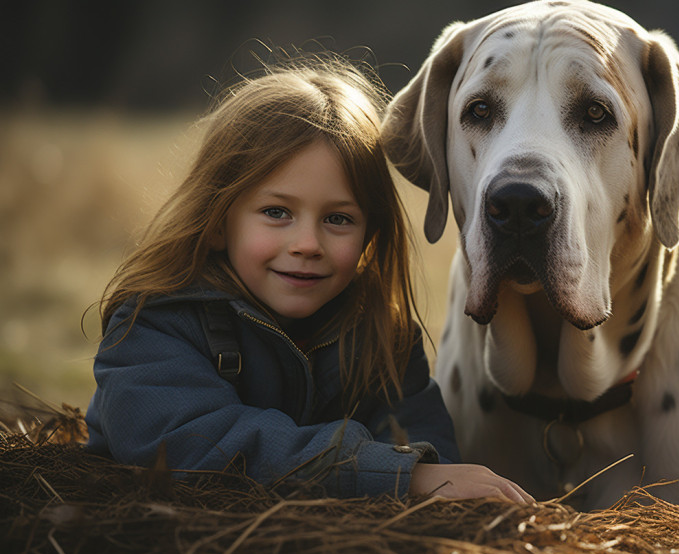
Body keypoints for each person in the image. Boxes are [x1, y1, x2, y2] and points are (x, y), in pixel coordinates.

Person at [84, 55, 531, 503]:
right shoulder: (153, 326)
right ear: (217, 222)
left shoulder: (380, 338)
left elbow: (425, 444)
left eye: (338, 219)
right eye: (277, 212)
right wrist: (400, 475)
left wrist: (431, 477)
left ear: (369, 237)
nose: (307, 244)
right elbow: (194, 444)